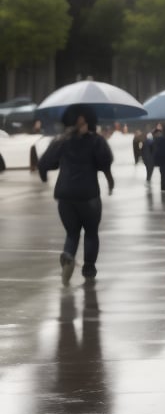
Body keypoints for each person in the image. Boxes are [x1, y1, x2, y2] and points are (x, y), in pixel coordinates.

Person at [38, 104, 114, 283]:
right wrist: (110, 182)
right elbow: (105, 162)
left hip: (65, 196)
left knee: (72, 233)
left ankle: (68, 256)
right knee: (91, 232)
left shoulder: (61, 141)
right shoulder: (96, 141)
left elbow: (44, 163)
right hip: (88, 196)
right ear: (90, 122)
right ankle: (88, 268)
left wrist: (44, 177)